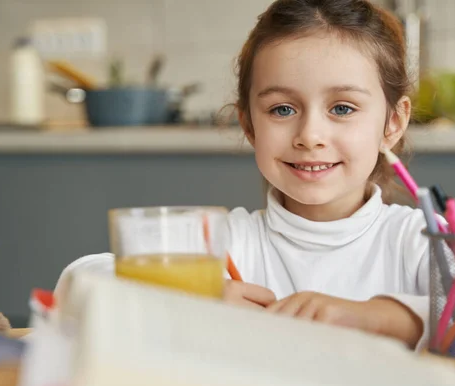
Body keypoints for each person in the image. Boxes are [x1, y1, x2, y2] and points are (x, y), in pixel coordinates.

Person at [55, 0, 430, 350]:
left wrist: (380, 318)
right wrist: (195, 294)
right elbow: (75, 285)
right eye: (282, 110)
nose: (310, 136)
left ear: (393, 122)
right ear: (249, 125)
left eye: (343, 108)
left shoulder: (421, 241)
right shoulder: (226, 242)